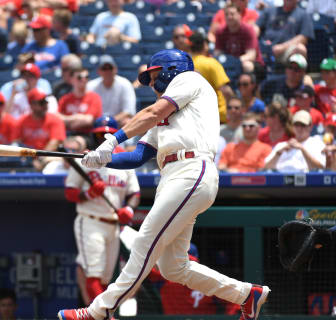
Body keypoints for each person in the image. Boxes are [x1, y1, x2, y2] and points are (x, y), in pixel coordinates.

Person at [57, 49, 270, 320]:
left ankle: (98, 310)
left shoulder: (190, 79)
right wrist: (100, 159)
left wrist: (113, 140)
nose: (152, 81)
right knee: (173, 267)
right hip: (173, 177)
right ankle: (245, 294)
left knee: (144, 241)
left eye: (155, 73)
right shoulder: (166, 119)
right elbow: (137, 156)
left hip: (191, 169)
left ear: (171, 68)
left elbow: (153, 111)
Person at [64, 115, 140, 306]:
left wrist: (129, 210)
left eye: (108, 136)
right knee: (94, 275)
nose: (104, 139)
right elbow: (70, 192)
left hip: (113, 225)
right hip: (91, 220)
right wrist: (88, 194)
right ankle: (104, 316)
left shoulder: (124, 161)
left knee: (106, 280)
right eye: (100, 136)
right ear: (94, 136)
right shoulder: (86, 159)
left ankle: (100, 314)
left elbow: (135, 193)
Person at [13, 88, 66, 170]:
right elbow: (16, 141)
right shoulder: (22, 121)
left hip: (48, 158)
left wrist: (40, 158)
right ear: (31, 105)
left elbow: (55, 142)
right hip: (27, 158)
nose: (45, 105)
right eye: (41, 103)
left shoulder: (55, 120)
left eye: (45, 102)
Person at [189, 32, 234, 123]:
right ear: (205, 45)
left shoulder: (185, 64)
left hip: (195, 117)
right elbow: (226, 90)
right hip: (217, 116)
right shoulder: (211, 63)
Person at [87, 55, 136, 127]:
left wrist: (110, 121)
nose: (108, 71)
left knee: (127, 121)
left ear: (115, 69)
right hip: (96, 123)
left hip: (118, 123)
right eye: (104, 68)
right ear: (99, 71)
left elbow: (129, 111)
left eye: (110, 68)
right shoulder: (91, 86)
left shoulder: (125, 84)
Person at [214, 4, 264, 75]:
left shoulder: (248, 30)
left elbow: (251, 55)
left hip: (251, 62)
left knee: (247, 66)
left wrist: (234, 61)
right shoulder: (220, 31)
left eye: (232, 14)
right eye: (226, 14)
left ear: (239, 15)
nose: (229, 17)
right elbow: (217, 52)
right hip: (229, 61)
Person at [58, 67, 103, 135]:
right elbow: (58, 118)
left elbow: (88, 121)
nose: (84, 80)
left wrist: (68, 121)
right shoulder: (65, 99)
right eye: (79, 77)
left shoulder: (94, 98)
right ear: (71, 80)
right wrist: (77, 117)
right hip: (66, 134)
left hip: (88, 135)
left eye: (86, 77)